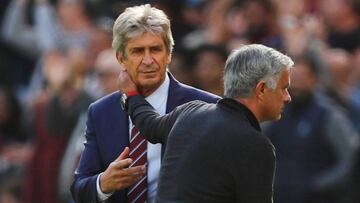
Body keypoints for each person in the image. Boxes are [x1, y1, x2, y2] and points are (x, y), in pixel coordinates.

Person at [70, 4, 220, 203]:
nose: (148, 60)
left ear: (169, 54)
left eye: (156, 49)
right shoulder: (101, 112)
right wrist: (103, 183)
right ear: (121, 59)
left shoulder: (207, 106)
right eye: (138, 51)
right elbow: (79, 188)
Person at [118, 44, 294, 202]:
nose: (287, 97)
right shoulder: (257, 146)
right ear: (261, 89)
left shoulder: (190, 112)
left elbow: (149, 126)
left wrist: (132, 95)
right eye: (283, 88)